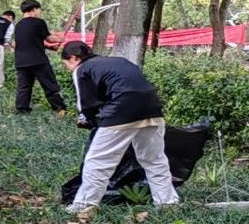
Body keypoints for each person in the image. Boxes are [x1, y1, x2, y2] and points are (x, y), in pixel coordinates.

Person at [60, 41, 179, 212]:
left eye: (66, 64)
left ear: (73, 58)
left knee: (98, 161)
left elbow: (85, 104)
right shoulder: (118, 61)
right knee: (154, 159)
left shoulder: (82, 69)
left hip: (121, 110)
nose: (68, 68)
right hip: (152, 108)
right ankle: (167, 202)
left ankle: (84, 206)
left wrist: (89, 122)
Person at [13, 0, 67, 116]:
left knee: (24, 86)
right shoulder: (38, 22)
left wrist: (50, 47)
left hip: (21, 61)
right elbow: (49, 38)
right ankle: (60, 109)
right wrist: (60, 38)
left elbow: (30, 41)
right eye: (39, 9)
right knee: (49, 84)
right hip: (38, 60)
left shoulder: (18, 25)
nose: (39, 12)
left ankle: (22, 109)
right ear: (34, 9)